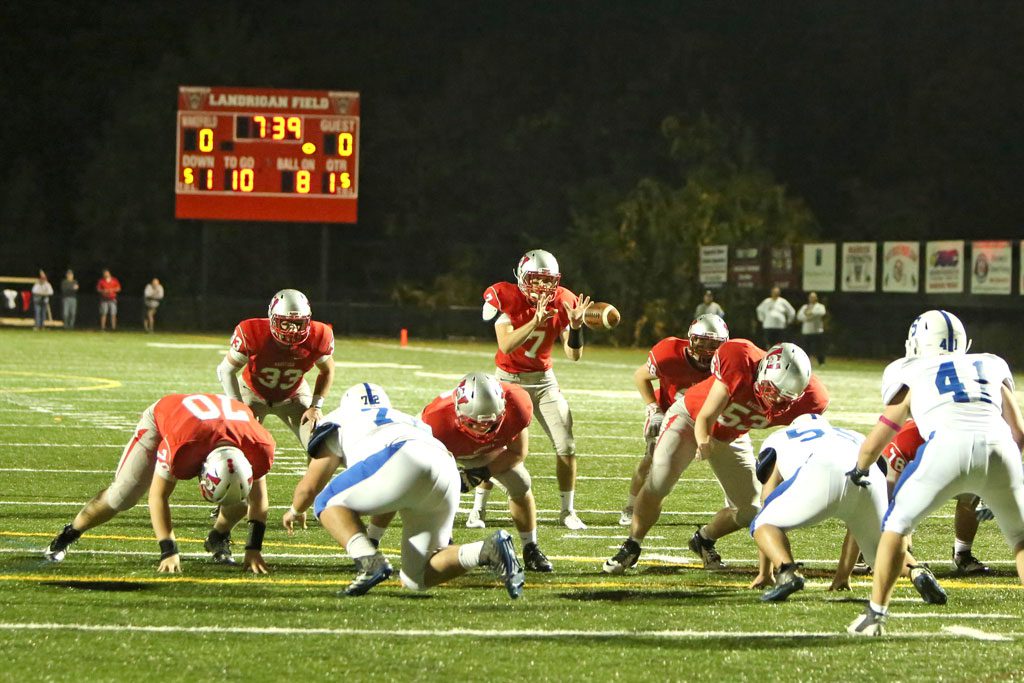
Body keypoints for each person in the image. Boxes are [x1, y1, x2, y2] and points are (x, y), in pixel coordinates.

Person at [845, 310, 1024, 636]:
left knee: (896, 526)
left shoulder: (909, 370)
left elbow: (884, 432)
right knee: (1021, 539)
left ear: (917, 342)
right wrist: (999, 483)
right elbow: (1020, 433)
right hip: (1001, 449)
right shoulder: (992, 364)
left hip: (946, 448)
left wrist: (860, 467)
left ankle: (875, 615)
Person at [604, 341, 829, 574]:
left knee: (749, 509)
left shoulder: (812, 399)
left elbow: (805, 437)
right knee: (659, 481)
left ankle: (704, 539)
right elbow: (705, 417)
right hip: (690, 419)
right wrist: (703, 442)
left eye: (785, 397)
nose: (776, 402)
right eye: (772, 391)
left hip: (732, 434)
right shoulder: (739, 361)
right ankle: (632, 544)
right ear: (761, 372)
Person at [283, 383, 525, 598]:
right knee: (416, 578)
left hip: (402, 456)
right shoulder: (405, 418)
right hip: (445, 465)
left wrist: (295, 509)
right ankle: (486, 550)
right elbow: (393, 489)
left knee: (326, 502)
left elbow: (311, 487)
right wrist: (373, 534)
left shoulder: (340, 418)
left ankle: (370, 563)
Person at [43, 393, 276, 574]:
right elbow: (158, 496)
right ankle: (69, 534)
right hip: (168, 418)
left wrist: (253, 548)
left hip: (220, 427)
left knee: (241, 496)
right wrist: (168, 549)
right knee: (123, 496)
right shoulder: (184, 446)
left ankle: (218, 536)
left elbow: (259, 499)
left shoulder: (258, 446)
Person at [749, 414, 946, 604]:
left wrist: (765, 573)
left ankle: (788, 573)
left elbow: (768, 498)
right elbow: (858, 521)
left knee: (763, 523)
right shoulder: (851, 434)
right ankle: (916, 571)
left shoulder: (781, 437)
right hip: (867, 473)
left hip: (819, 468)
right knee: (879, 550)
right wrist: (843, 576)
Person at [481, 249, 592, 529]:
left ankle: (567, 511)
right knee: (496, 446)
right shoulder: (507, 296)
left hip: (543, 381)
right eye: (536, 279)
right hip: (507, 380)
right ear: (521, 277)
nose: (542, 287)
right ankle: (478, 508)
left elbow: (573, 355)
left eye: (547, 280)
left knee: (566, 444)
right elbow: (506, 345)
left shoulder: (565, 300)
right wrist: (534, 320)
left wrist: (576, 328)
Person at [619, 314, 729, 526]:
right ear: (690, 338)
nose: (707, 349)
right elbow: (640, 376)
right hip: (669, 413)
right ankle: (631, 506)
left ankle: (735, 503)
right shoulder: (669, 352)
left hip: (709, 415)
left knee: (726, 457)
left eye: (713, 344)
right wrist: (654, 409)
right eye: (702, 341)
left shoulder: (727, 362)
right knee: (650, 460)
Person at [217, 289, 336, 444]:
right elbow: (225, 370)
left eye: (298, 323)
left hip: (294, 394)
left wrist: (316, 406)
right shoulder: (252, 332)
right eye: (286, 323)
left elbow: (327, 370)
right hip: (251, 392)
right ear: (272, 319)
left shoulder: (319, 335)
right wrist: (238, 406)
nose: (292, 329)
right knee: (235, 440)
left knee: (319, 442)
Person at [881, 419, 991, 575]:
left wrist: (988, 495)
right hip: (910, 478)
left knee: (972, 493)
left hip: (946, 472)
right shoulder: (908, 438)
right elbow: (893, 495)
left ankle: (962, 554)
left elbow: (984, 469)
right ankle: (868, 551)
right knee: (886, 508)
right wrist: (900, 539)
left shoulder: (966, 438)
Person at [796, 292, 827, 366]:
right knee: (806, 349)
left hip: (817, 330)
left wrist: (810, 313)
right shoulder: (805, 307)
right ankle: (805, 363)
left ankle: (821, 362)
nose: (812, 298)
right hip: (806, 331)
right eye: (810, 297)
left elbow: (822, 313)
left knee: (819, 348)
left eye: (813, 297)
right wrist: (808, 316)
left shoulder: (820, 306)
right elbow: (799, 316)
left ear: (816, 298)